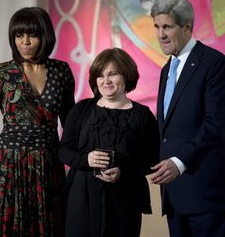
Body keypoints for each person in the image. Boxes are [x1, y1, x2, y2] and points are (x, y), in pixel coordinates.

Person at [0, 6, 75, 236]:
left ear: (45, 35)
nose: (25, 42)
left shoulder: (61, 71)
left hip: (49, 167)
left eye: (32, 35)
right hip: (6, 168)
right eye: (19, 35)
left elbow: (71, 127)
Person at [58, 47, 160, 237]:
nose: (106, 81)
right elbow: (64, 151)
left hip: (124, 199)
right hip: (82, 199)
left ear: (126, 74)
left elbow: (152, 160)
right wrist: (86, 159)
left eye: (112, 74)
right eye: (101, 76)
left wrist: (124, 170)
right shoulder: (81, 110)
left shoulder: (143, 115)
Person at [150, 0, 225, 237]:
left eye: (167, 27)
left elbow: (216, 124)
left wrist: (179, 163)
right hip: (174, 196)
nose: (161, 35)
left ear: (187, 27)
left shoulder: (214, 64)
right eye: (157, 27)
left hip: (205, 195)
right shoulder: (166, 70)